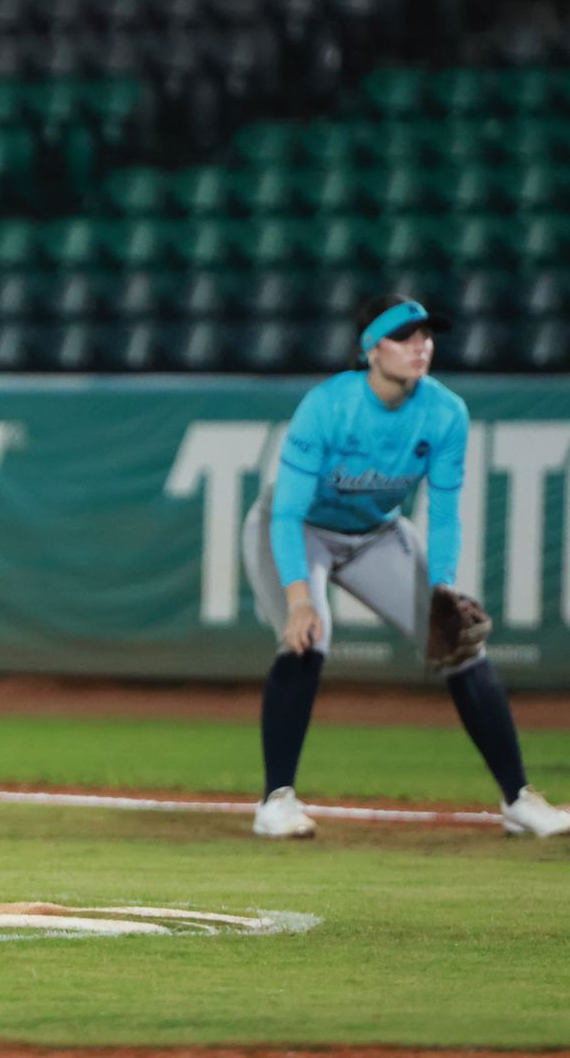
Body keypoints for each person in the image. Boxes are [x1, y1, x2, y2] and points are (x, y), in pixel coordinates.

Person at [241, 293, 570, 839]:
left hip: (375, 533)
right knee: (307, 635)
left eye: (427, 336)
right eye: (405, 337)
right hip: (299, 528)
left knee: (460, 640)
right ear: (372, 349)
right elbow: (288, 512)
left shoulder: (444, 411)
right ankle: (276, 801)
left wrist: (442, 587)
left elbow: (443, 513)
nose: (421, 347)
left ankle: (519, 799)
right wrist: (298, 599)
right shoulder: (328, 406)